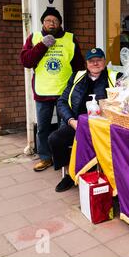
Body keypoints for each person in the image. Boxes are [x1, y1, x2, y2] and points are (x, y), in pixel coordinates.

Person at [20, 7, 85, 172]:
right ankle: (45, 157)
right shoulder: (35, 38)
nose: (52, 23)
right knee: (43, 127)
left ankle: (62, 158)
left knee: (64, 128)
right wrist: (42, 45)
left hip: (65, 93)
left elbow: (78, 64)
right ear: (43, 22)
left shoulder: (70, 38)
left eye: (55, 21)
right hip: (43, 91)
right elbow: (26, 61)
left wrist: (77, 87)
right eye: (48, 20)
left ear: (60, 23)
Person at [48, 48, 122, 192]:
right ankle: (69, 174)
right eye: (91, 61)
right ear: (86, 63)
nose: (95, 63)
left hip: (103, 127)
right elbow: (62, 101)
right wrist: (71, 121)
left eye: (99, 60)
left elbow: (124, 102)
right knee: (55, 139)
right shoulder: (76, 77)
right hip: (78, 123)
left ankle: (106, 176)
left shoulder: (115, 77)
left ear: (104, 61)